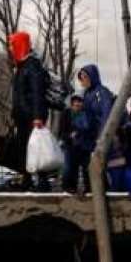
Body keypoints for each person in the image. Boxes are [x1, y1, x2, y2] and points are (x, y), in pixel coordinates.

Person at [8, 31, 50, 191]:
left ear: (20, 45)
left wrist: (38, 116)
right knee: (24, 148)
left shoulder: (32, 65)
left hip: (32, 116)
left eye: (13, 45)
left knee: (37, 148)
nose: (11, 48)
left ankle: (43, 182)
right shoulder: (21, 66)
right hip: (23, 116)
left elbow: (37, 91)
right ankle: (27, 180)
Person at [78, 64, 125, 190]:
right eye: (81, 77)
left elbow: (106, 113)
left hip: (104, 135)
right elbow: (87, 117)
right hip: (92, 136)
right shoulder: (86, 95)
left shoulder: (102, 92)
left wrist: (103, 135)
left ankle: (116, 192)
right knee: (97, 167)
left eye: (85, 77)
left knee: (112, 165)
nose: (82, 80)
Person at [60, 93, 92, 193]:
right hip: (70, 145)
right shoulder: (66, 114)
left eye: (79, 103)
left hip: (84, 145)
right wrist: (69, 135)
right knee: (70, 167)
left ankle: (89, 188)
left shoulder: (87, 115)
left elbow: (90, 129)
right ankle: (69, 187)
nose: (77, 105)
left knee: (86, 168)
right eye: (75, 103)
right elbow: (62, 131)